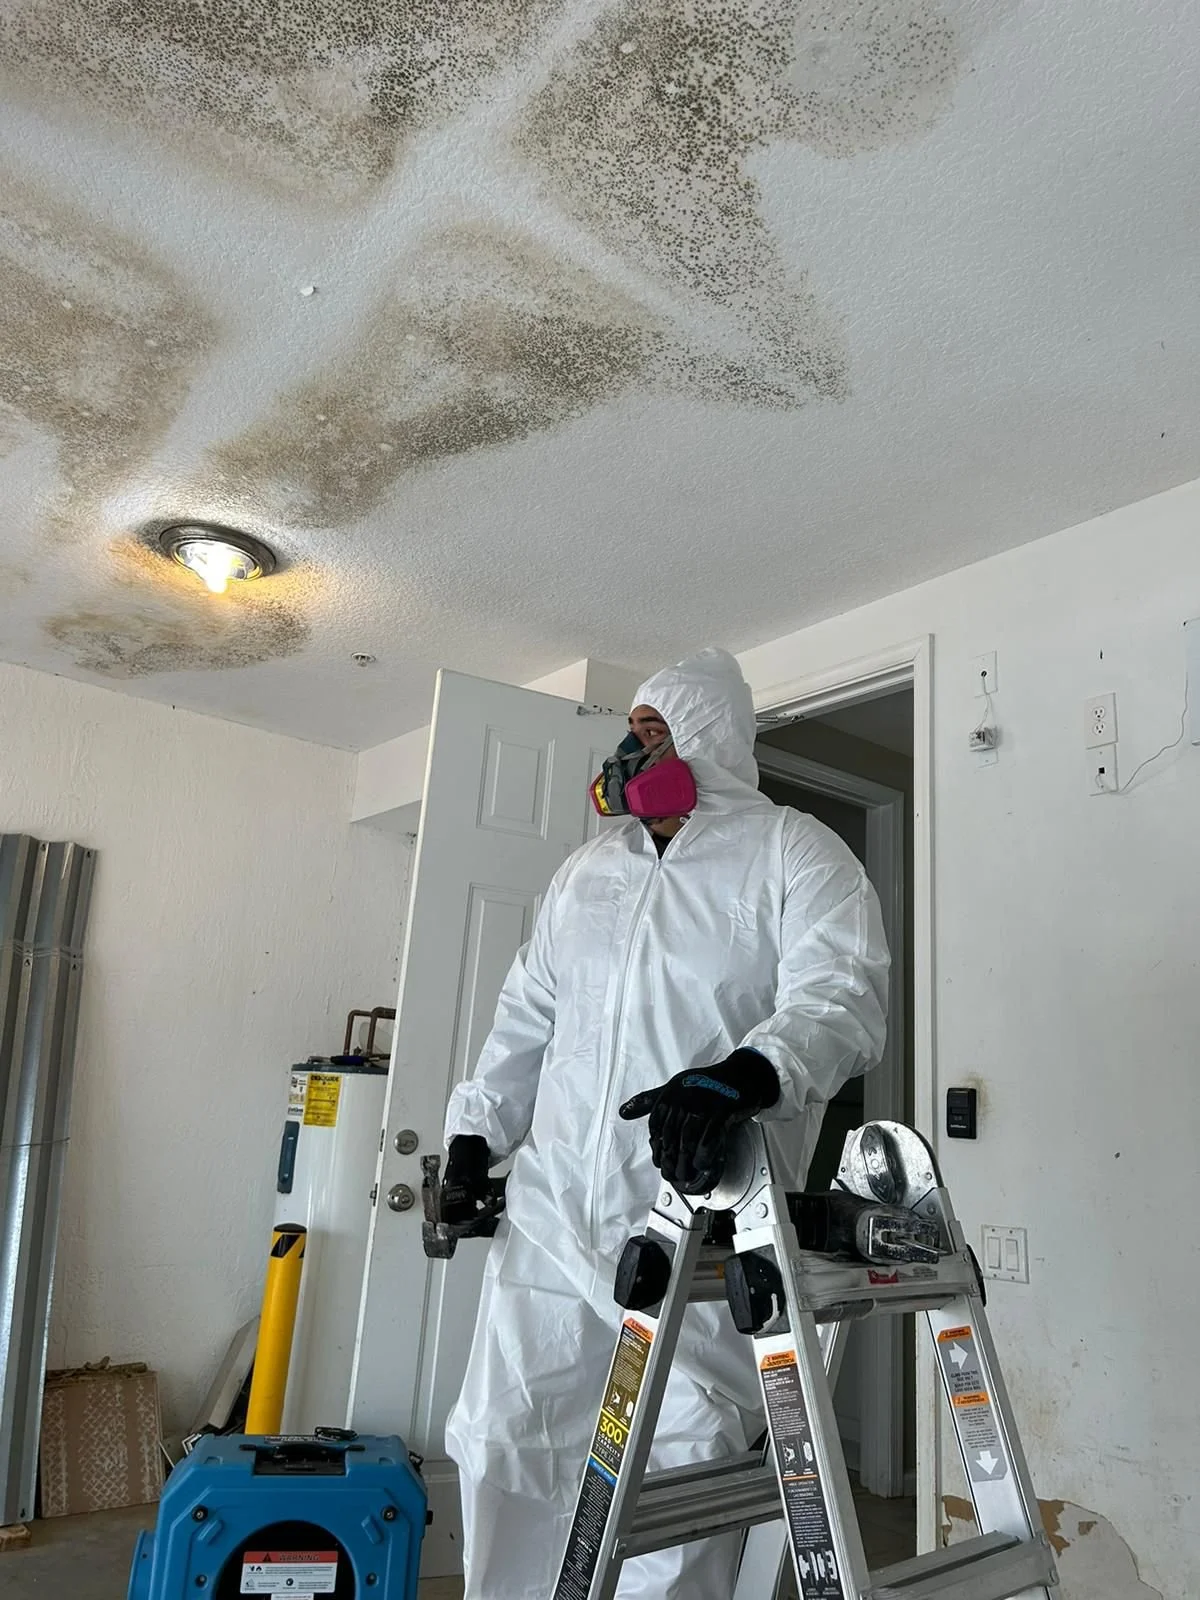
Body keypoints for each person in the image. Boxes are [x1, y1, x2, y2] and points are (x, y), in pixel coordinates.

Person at [442, 647, 890, 1600]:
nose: (631, 751)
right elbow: (528, 1013)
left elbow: (842, 995)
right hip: (553, 1218)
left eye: (655, 733)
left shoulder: (792, 850)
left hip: (696, 1223)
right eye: (631, 732)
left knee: (676, 1469)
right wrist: (478, 1132)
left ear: (712, 740)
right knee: (503, 1441)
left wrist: (746, 1074)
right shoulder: (586, 873)